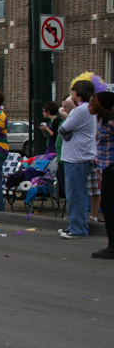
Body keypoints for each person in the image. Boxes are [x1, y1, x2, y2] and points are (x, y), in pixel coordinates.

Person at [58, 80, 97, 239]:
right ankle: (74, 225)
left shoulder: (81, 110)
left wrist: (69, 111)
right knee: (74, 193)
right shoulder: (83, 110)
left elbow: (64, 128)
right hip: (77, 157)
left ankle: (78, 228)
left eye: (72, 90)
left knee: (76, 194)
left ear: (77, 92)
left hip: (77, 158)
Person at [89, 91, 114, 258]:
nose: (90, 105)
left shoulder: (111, 122)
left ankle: (113, 245)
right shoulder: (103, 120)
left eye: (93, 102)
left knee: (109, 206)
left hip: (111, 166)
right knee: (108, 205)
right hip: (105, 166)